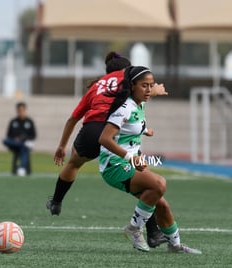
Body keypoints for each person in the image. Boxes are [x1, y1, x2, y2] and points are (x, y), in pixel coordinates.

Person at [46, 52, 168, 248]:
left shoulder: (97, 85)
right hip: (115, 130)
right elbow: (141, 91)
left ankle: (56, 201)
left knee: (74, 164)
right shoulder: (128, 77)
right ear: (127, 69)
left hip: (92, 129)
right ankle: (153, 232)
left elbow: (73, 119)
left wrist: (61, 146)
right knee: (143, 180)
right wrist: (156, 90)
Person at [98, 66, 202, 254]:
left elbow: (134, 120)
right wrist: (131, 157)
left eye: (150, 85)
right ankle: (133, 229)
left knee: (162, 204)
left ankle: (175, 245)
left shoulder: (140, 100)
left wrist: (145, 129)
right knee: (159, 184)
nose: (148, 90)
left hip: (129, 162)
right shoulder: (125, 108)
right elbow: (104, 139)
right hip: (114, 164)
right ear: (132, 86)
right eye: (144, 86)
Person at [3, 102, 36, 176]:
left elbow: (33, 135)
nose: (20, 112)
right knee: (5, 140)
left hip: (26, 142)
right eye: (19, 110)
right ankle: (22, 168)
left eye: (22, 110)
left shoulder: (29, 121)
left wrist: (23, 139)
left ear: (25, 110)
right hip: (14, 143)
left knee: (24, 148)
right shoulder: (13, 121)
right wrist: (16, 139)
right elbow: (8, 135)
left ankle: (22, 167)